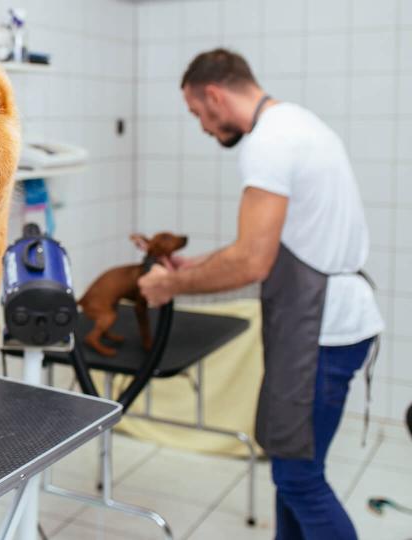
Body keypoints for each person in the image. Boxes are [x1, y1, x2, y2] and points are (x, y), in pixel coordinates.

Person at [138, 49, 383, 540]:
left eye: (196, 114)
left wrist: (171, 284)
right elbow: (273, 244)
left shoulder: (267, 143)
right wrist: (196, 265)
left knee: (299, 477)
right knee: (289, 474)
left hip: (323, 331)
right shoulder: (297, 125)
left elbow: (252, 261)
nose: (203, 127)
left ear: (214, 95)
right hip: (325, 323)